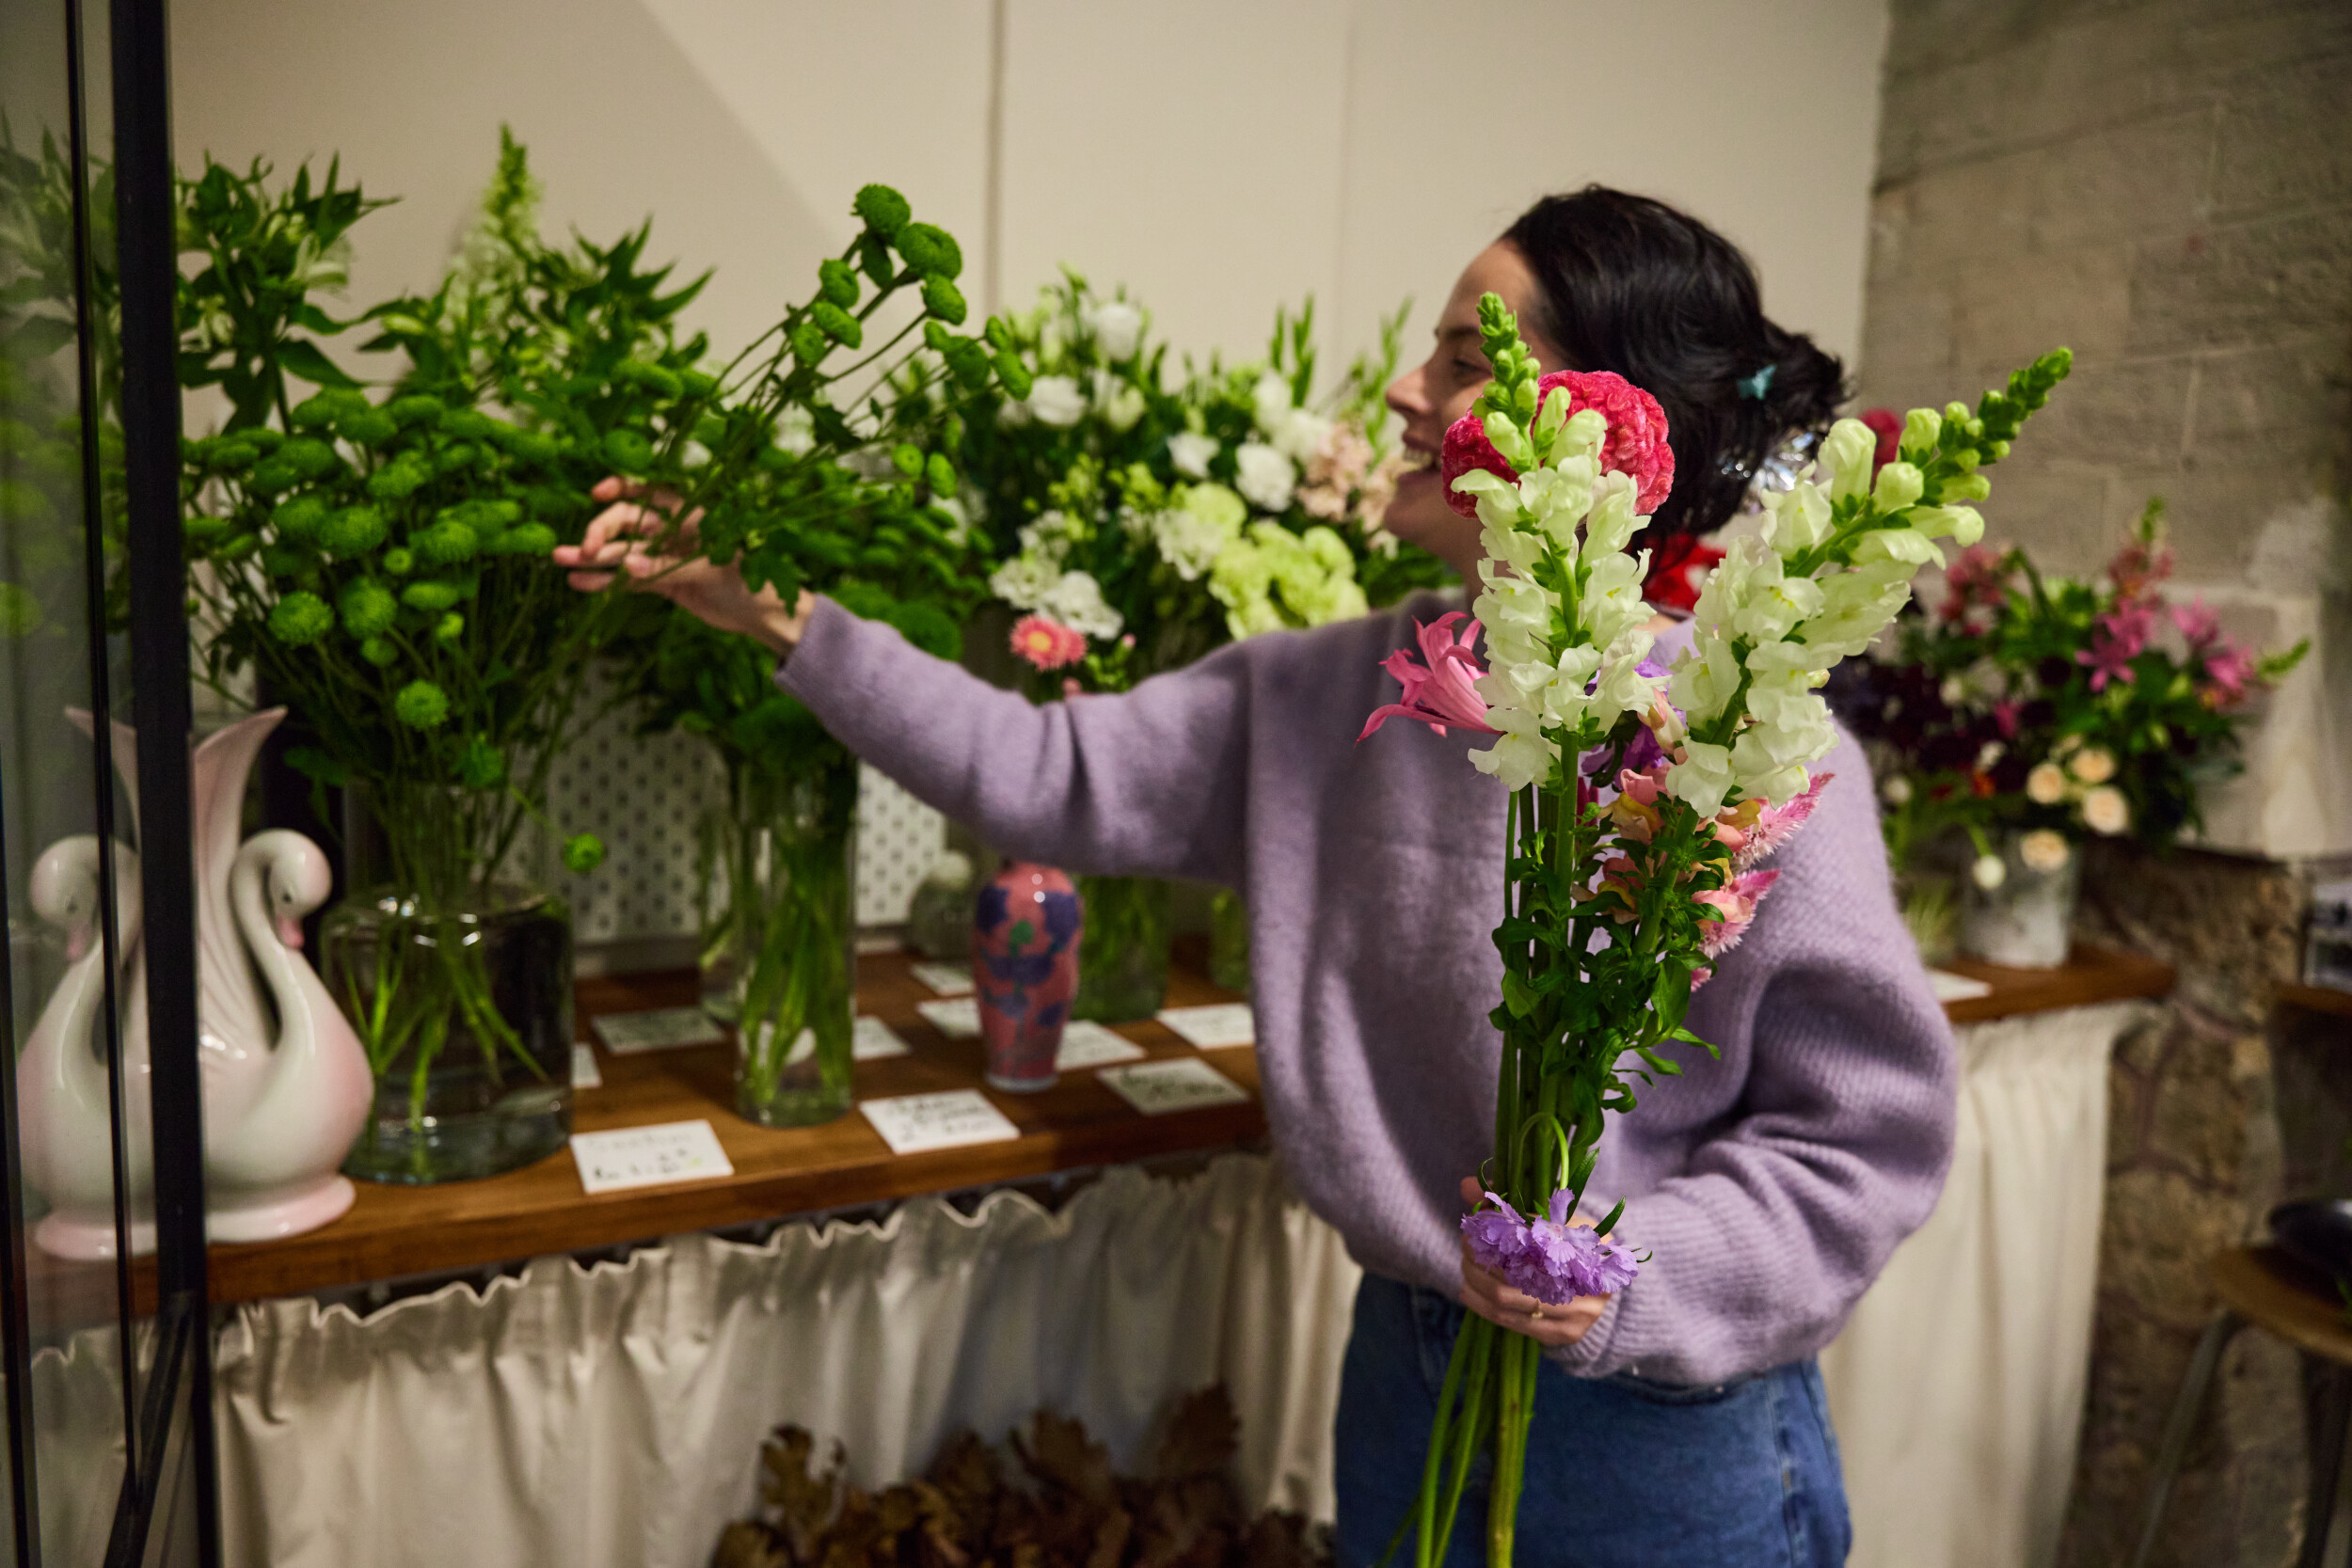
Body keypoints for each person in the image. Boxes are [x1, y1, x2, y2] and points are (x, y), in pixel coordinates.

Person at [555, 186, 1956, 1568]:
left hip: (1665, 1424)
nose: (1407, 391)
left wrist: (1625, 1274)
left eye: (1464, 361)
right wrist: (771, 612)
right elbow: (1042, 775)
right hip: (1407, 1373)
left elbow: (1861, 1141)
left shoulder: (1745, 737)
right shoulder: (1335, 692)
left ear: (1599, 421)